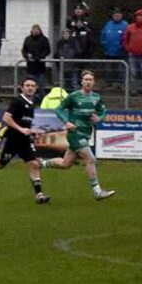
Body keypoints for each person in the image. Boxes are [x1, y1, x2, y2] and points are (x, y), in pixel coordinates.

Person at [0, 76, 51, 204]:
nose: (30, 88)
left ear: (36, 89)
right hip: (11, 139)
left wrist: (32, 131)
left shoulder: (33, 103)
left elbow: (26, 123)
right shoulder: (17, 101)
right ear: (22, 87)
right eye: (27, 85)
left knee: (34, 164)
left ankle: (39, 194)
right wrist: (21, 129)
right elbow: (6, 118)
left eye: (32, 86)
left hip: (25, 141)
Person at [40, 70, 115, 200]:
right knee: (91, 159)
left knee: (66, 163)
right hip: (75, 133)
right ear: (81, 82)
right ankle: (97, 191)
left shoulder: (97, 97)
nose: (88, 82)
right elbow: (59, 109)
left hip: (86, 133)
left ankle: (42, 163)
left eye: (90, 80)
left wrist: (100, 117)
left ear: (94, 82)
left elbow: (103, 111)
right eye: (86, 79)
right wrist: (67, 122)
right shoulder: (74, 96)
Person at [122, 8, 142, 96]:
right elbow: (125, 39)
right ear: (135, 17)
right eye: (138, 16)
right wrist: (128, 48)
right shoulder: (130, 27)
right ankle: (134, 90)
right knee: (133, 73)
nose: (139, 18)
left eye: (141, 16)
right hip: (132, 54)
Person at [99, 9, 128, 88]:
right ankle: (109, 83)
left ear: (121, 16)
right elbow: (103, 35)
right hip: (109, 51)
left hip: (121, 52)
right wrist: (104, 44)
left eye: (118, 15)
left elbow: (127, 37)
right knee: (109, 68)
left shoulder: (125, 25)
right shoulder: (108, 24)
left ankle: (121, 84)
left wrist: (123, 47)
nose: (117, 17)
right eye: (115, 15)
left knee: (120, 69)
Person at [21, 24, 51, 96]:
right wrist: (26, 57)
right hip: (30, 66)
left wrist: (40, 57)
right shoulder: (28, 39)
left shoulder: (44, 39)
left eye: (37, 30)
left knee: (40, 86)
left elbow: (47, 50)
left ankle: (41, 101)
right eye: (34, 30)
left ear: (40, 30)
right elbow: (24, 50)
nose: (35, 31)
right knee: (30, 85)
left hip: (40, 66)